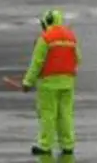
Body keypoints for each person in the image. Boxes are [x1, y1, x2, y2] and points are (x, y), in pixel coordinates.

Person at [21, 9, 80, 157]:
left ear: (46, 22)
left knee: (48, 114)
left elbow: (37, 63)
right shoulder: (71, 36)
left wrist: (28, 82)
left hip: (49, 84)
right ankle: (68, 144)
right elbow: (78, 59)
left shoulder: (46, 38)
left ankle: (45, 145)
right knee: (65, 114)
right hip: (68, 83)